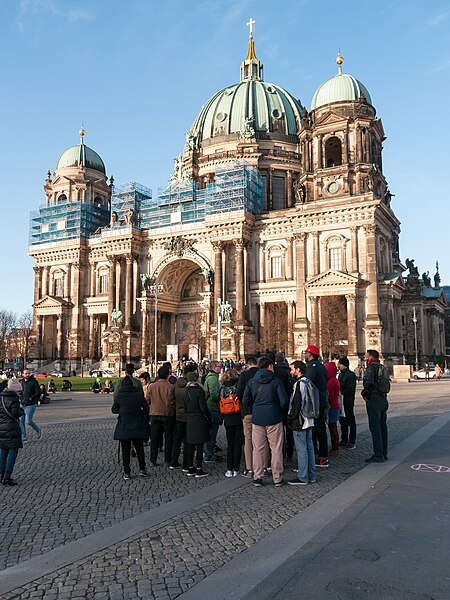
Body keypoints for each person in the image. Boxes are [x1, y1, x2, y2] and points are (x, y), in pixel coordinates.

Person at [242, 356, 289, 487]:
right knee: (276, 449)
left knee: (257, 449)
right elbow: (284, 401)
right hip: (274, 418)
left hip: (257, 418)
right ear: (269, 367)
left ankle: (257, 476)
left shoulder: (252, 381)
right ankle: (277, 477)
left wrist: (254, 408)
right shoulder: (276, 381)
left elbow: (245, 400)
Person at [112, 375, 150, 480]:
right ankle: (142, 469)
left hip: (124, 424)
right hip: (137, 423)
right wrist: (139, 412)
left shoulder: (120, 396)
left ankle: (127, 472)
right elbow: (146, 409)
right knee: (139, 448)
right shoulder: (138, 394)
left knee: (125, 450)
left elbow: (114, 410)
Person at [287, 361, 316, 485]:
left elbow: (296, 403)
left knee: (301, 449)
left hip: (300, 420)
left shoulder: (299, 384)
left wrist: (290, 417)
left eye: (292, 369)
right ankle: (311, 475)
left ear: (298, 370)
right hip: (309, 419)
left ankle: (303, 476)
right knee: (309, 447)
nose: (291, 372)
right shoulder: (308, 381)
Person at [362, 349, 388, 463]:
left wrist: (364, 394)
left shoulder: (370, 368)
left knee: (375, 427)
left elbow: (368, 383)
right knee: (383, 427)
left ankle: (378, 454)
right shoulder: (383, 367)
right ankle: (384, 452)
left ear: (371, 357)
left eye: (366, 355)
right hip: (383, 399)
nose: (365, 357)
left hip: (374, 399)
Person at [304, 345, 329, 468]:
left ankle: (317, 456)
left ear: (310, 355)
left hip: (314, 402)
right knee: (321, 429)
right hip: (322, 400)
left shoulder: (311, 368)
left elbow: (308, 385)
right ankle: (323, 456)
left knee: (313, 429)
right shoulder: (322, 367)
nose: (305, 355)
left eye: (306, 353)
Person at [184, 370, 211, 478]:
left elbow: (185, 407)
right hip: (199, 419)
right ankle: (199, 468)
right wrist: (208, 417)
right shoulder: (199, 391)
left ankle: (190, 467)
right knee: (199, 444)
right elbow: (203, 408)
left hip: (190, 419)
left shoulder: (186, 391)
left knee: (190, 444)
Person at [170, 363, 197, 470]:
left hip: (178, 415)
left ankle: (174, 461)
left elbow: (171, 400)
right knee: (188, 441)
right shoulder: (191, 386)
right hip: (189, 415)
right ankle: (187, 464)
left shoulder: (176, 385)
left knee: (177, 440)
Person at [236, 356, 259, 478]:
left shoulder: (244, 376)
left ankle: (250, 468)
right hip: (260, 411)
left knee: (249, 440)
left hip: (248, 411)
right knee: (261, 441)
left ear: (247, 365)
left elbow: (239, 393)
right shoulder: (262, 374)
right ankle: (263, 467)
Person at [148, 365, 175, 466]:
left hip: (155, 414)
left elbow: (148, 400)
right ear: (167, 375)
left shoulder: (151, 386)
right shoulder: (171, 387)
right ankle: (167, 459)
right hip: (168, 414)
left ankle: (152, 460)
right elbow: (173, 401)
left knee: (154, 438)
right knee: (168, 438)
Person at [0, 379, 24, 485]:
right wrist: (21, 411)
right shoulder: (13, 398)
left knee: (3, 452)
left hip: (1, 428)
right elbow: (15, 413)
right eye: (19, 391)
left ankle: (1, 475)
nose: (19, 393)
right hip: (11, 428)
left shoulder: (1, 397)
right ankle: (7, 476)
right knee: (12, 452)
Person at [220, 368, 243, 477]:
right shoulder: (238, 385)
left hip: (227, 417)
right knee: (237, 444)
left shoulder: (223, 387)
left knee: (230, 444)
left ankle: (229, 469)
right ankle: (236, 468)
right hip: (238, 416)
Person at [203, 360, 222, 462]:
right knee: (212, 432)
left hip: (211, 407)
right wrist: (222, 399)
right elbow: (214, 394)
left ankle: (209, 451)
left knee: (211, 432)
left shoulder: (211, 377)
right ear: (214, 368)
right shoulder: (213, 379)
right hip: (213, 408)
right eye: (219, 366)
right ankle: (208, 454)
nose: (220, 368)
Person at [338, 357, 357, 448]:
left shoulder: (351, 375)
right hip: (341, 400)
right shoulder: (341, 375)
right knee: (343, 421)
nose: (338, 366)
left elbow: (350, 389)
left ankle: (352, 441)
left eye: (340, 364)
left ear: (343, 365)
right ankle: (344, 439)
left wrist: (340, 391)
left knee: (350, 420)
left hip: (348, 400)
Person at [19, 369, 42, 442]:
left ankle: (38, 429)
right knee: (21, 422)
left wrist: (31, 398)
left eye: (28, 373)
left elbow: (38, 392)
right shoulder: (21, 382)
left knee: (28, 421)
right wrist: (20, 398)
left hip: (30, 404)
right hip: (22, 404)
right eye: (26, 373)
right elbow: (20, 392)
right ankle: (24, 437)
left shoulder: (34, 382)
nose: (27, 375)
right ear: (23, 374)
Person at [325, 361, 341, 458]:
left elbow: (329, 396)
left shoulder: (331, 382)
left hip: (332, 406)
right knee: (333, 427)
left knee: (333, 428)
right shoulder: (335, 380)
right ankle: (335, 448)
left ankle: (335, 449)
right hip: (335, 405)